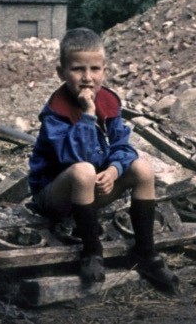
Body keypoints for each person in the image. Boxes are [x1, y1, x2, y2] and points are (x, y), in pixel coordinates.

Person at [28, 28, 178, 291]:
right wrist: (87, 114)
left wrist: (115, 169)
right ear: (61, 73)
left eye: (95, 69)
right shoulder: (55, 111)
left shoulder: (109, 101)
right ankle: (91, 251)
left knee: (142, 168)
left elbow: (122, 145)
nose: (87, 78)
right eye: (77, 69)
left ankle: (145, 252)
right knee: (84, 170)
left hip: (90, 193)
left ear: (104, 71)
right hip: (55, 197)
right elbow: (74, 157)